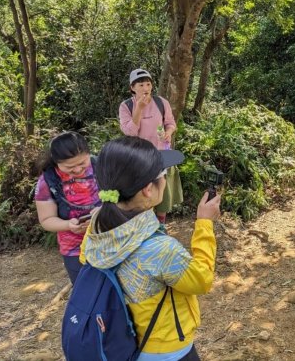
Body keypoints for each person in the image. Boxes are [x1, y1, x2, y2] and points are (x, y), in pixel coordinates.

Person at [83, 136, 220, 360]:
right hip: (167, 347)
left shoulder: (97, 224)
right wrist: (204, 224)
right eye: (163, 175)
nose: (165, 180)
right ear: (148, 189)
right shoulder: (159, 249)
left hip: (124, 339)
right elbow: (202, 280)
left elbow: (85, 260)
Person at [34, 131, 101, 284]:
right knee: (86, 292)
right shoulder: (48, 180)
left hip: (110, 239)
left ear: (89, 154)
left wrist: (106, 211)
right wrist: (68, 225)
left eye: (82, 163)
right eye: (69, 167)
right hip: (74, 248)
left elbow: (123, 197)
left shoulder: (101, 166)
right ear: (56, 162)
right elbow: (46, 220)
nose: (77, 170)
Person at [119, 68, 182, 223]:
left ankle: (160, 226)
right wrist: (139, 109)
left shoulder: (161, 102)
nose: (145, 88)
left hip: (161, 155)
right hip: (139, 158)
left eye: (148, 84)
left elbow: (170, 123)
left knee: (162, 195)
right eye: (140, 85)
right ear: (132, 88)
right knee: (143, 194)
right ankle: (145, 227)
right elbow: (129, 133)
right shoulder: (126, 106)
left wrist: (169, 132)